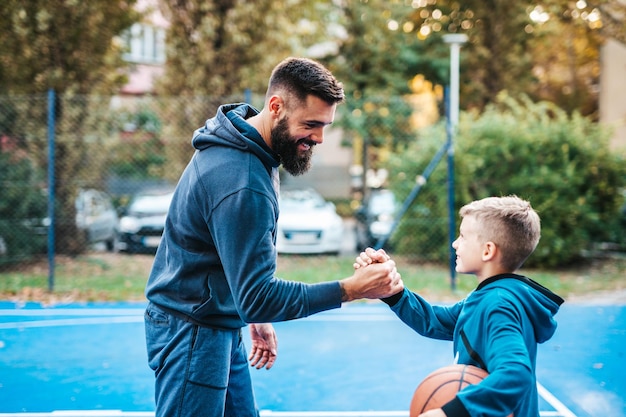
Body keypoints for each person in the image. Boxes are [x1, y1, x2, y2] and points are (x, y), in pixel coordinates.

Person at [143, 57, 404, 417]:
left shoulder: (248, 145)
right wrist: (353, 289)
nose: (319, 138)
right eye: (311, 124)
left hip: (215, 320)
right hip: (193, 335)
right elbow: (259, 296)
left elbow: (235, 264)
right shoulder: (243, 180)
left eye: (325, 126)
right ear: (276, 107)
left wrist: (247, 308)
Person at [355, 195, 564, 417]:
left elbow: (516, 374)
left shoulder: (498, 305)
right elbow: (434, 321)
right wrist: (393, 292)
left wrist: (451, 412)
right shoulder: (490, 296)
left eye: (463, 236)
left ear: (487, 251)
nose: (455, 243)